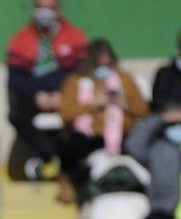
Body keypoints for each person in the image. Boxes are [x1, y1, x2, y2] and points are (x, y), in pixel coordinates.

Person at [55, 37, 149, 203]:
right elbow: (66, 113)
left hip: (122, 134)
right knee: (69, 147)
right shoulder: (76, 81)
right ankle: (71, 187)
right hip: (89, 136)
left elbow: (143, 111)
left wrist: (123, 103)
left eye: (108, 61)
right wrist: (93, 105)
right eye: (99, 62)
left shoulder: (124, 79)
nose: (104, 67)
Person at [4, 0, 87, 180]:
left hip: (65, 96)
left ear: (59, 10)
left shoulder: (75, 36)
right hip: (34, 97)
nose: (45, 13)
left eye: (50, 8)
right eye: (41, 7)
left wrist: (63, 94)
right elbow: (16, 78)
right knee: (16, 115)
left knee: (83, 116)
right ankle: (50, 152)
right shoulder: (20, 39)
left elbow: (81, 73)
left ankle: (74, 161)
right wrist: (36, 96)